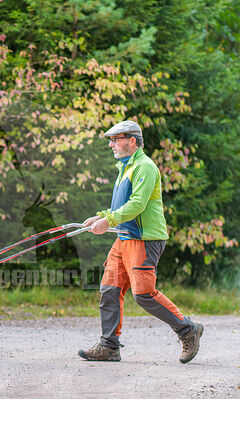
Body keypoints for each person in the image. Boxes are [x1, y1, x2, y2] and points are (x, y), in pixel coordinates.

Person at [78, 120, 203, 363]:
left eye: (116, 139)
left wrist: (109, 220)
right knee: (110, 289)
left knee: (144, 294)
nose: (111, 144)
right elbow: (122, 203)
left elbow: (137, 204)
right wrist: (102, 216)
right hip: (124, 238)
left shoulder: (144, 166)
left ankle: (188, 330)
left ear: (132, 141)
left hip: (145, 240)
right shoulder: (124, 167)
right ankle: (109, 347)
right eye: (111, 140)